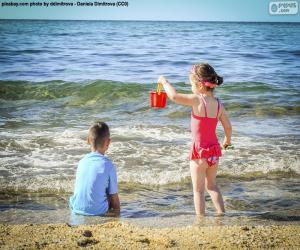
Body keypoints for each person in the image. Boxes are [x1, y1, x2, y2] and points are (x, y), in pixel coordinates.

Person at [158, 63, 232, 216]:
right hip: (214, 152)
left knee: (198, 190)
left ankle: (200, 219)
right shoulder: (218, 104)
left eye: (191, 83)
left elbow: (174, 96)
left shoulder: (197, 100)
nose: (190, 87)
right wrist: (227, 141)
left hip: (199, 153)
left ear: (199, 85)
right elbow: (228, 127)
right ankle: (221, 213)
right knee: (212, 186)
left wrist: (164, 82)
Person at [69, 121, 120, 216]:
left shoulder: (81, 162)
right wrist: (118, 214)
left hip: (76, 208)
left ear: (88, 140)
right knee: (109, 194)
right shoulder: (109, 165)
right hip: (98, 212)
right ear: (108, 143)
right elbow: (114, 198)